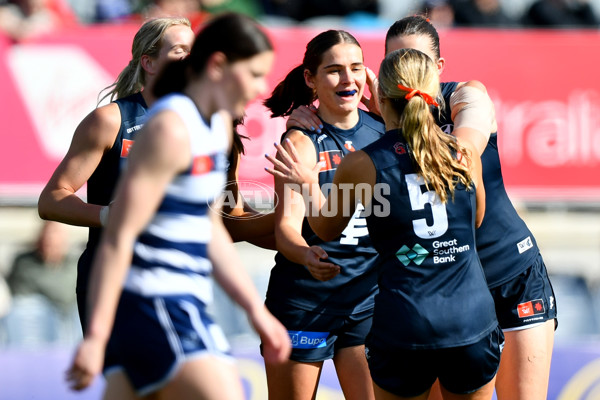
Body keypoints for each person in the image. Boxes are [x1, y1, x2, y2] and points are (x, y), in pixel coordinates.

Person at [288, 15, 558, 400]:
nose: (405, 73)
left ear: (437, 69)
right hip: (454, 290)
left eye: (413, 60)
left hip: (504, 270)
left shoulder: (465, 97)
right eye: (395, 60)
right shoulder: (385, 132)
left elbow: (469, 136)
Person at [65, 12, 291, 399]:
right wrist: (97, 337)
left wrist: (257, 311)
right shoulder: (168, 128)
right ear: (218, 66)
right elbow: (119, 238)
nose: (262, 85)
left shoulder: (217, 126)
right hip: (156, 298)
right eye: (254, 73)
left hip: (176, 297)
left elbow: (209, 227)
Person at [266, 47, 503, 400]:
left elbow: (326, 228)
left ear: (380, 95)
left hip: (405, 318)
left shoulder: (364, 161)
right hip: (470, 318)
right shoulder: (462, 152)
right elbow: (477, 219)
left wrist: (307, 182)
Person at [38, 17, 195, 331]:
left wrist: (292, 234)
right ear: (149, 63)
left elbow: (222, 215)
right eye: (180, 50)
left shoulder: (206, 126)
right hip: (114, 278)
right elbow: (52, 200)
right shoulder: (110, 121)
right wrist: (112, 216)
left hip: (178, 277)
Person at [262, 29, 385, 400]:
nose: (348, 79)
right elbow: (285, 230)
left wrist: (375, 92)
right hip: (305, 302)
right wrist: (305, 255)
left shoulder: (386, 133)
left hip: (369, 299)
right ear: (310, 79)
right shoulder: (299, 141)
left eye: (357, 68)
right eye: (334, 70)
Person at [5, 220, 79, 347]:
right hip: (35, 330)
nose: (50, 242)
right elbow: (22, 294)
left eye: (55, 239)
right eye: (47, 238)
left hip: (68, 323)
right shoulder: (24, 263)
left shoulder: (73, 264)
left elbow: (66, 294)